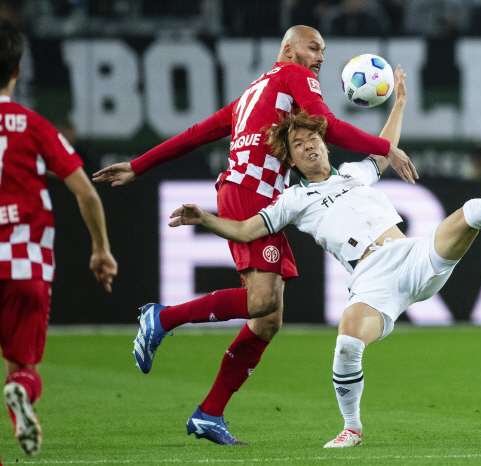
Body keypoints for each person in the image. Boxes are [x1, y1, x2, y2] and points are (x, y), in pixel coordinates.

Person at [168, 68, 481, 448]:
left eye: (313, 138)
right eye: (298, 144)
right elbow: (245, 231)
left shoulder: (353, 173)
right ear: (290, 160)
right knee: (347, 345)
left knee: (469, 214)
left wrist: (400, 104)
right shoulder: (292, 199)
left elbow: (383, 151)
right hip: (372, 282)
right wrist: (205, 218)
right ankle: (352, 428)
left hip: (409, 256)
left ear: (325, 143)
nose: (308, 145)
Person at [92, 25, 417, 445]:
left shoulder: (253, 93)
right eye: (314, 47)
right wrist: (386, 147)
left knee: (267, 320)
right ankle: (162, 318)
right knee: (262, 300)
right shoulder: (294, 75)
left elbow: (196, 134)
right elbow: (328, 125)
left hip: (250, 192)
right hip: (252, 191)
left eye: (323, 50)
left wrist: (139, 165)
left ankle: (210, 413)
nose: (320, 57)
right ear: (289, 49)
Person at [0, 21, 117, 456]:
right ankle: (21, 394)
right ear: (17, 70)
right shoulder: (34, 126)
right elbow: (86, 192)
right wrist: (100, 249)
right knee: (23, 367)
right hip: (25, 265)